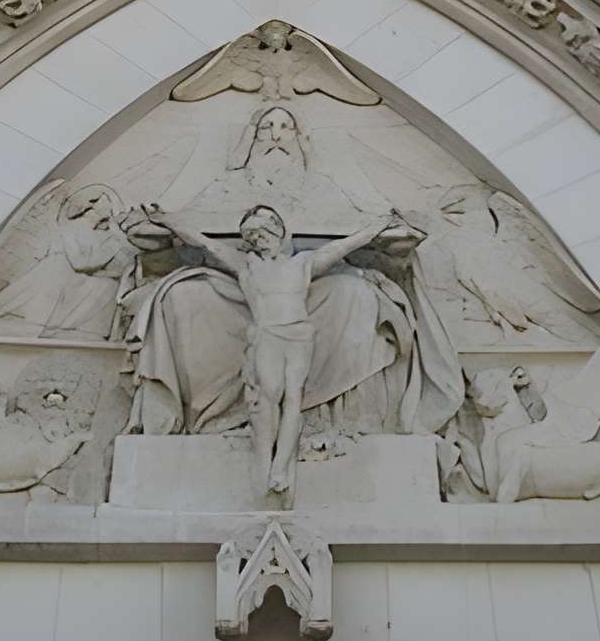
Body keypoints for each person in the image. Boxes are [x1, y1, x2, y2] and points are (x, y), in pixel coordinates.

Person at [139, 200, 416, 499]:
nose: (264, 236)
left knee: (293, 400)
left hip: (299, 335)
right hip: (267, 335)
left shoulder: (303, 263)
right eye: (257, 233)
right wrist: (167, 221)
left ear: (281, 233)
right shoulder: (247, 265)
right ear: (251, 240)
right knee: (268, 400)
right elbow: (205, 244)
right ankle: (265, 467)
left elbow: (344, 247)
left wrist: (379, 225)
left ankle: (280, 469)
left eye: (269, 229)